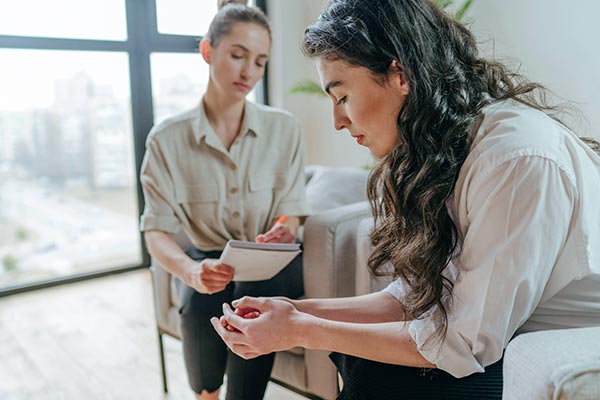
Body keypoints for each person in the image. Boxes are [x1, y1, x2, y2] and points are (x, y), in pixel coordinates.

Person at [211, 0, 600, 398]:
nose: (337, 121)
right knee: (356, 357)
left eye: (342, 96)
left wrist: (302, 330)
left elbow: (464, 342)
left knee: (374, 376)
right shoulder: (450, 148)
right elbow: (414, 296)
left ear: (400, 74)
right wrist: (297, 310)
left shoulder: (514, 160)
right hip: (506, 328)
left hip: (566, 338)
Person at [139, 2, 308, 399]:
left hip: (270, 263)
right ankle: (206, 394)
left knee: (253, 292)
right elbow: (156, 231)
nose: (249, 71)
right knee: (201, 301)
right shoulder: (166, 140)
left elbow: (293, 208)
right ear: (208, 51)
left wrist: (285, 227)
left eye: (260, 61)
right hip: (208, 257)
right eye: (237, 55)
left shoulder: (285, 129)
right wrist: (190, 271)